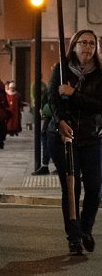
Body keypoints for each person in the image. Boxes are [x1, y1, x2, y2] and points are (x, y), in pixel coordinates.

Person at [47, 29, 102, 255]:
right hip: (62, 137)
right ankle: (73, 237)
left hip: (91, 137)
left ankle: (85, 228)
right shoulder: (61, 70)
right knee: (71, 188)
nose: (87, 48)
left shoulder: (100, 74)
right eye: (83, 43)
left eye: (92, 43)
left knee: (94, 187)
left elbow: (99, 105)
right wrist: (60, 121)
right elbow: (50, 99)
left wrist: (73, 94)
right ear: (74, 45)